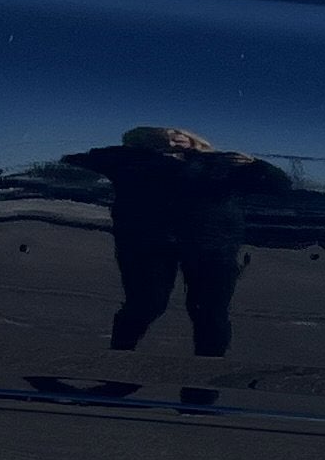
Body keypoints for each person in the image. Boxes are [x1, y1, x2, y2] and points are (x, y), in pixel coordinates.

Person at [66, 126, 286, 360]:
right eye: (165, 134)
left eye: (177, 132)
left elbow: (278, 185)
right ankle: (119, 359)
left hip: (213, 246)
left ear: (193, 137)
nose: (174, 138)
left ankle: (203, 382)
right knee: (146, 304)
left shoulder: (219, 163)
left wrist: (255, 164)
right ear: (145, 138)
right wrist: (133, 150)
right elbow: (74, 161)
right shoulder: (128, 161)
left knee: (210, 313)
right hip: (148, 245)